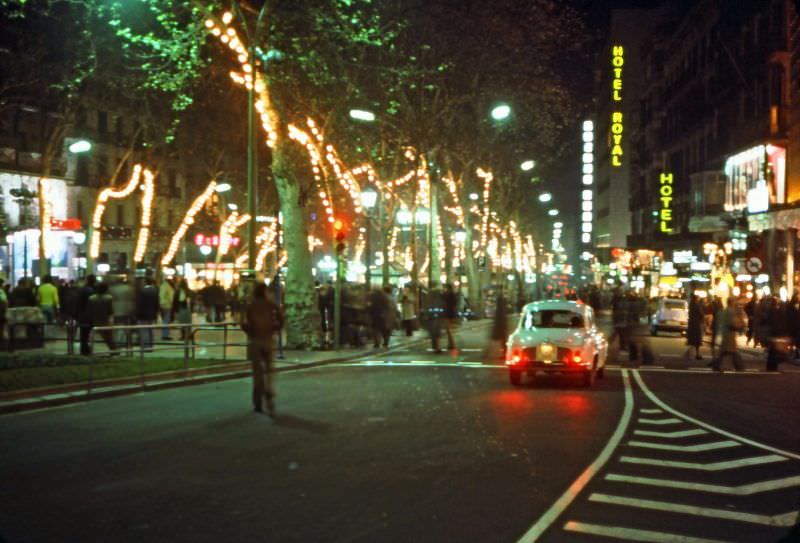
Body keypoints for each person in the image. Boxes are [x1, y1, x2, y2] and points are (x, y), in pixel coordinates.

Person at [240, 282, 283, 416]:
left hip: (255, 340)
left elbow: (243, 322)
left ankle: (257, 400)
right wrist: (275, 329)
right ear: (265, 292)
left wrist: (250, 332)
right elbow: (281, 319)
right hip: (268, 340)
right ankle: (269, 391)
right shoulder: (271, 305)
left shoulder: (250, 306)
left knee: (257, 372)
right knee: (269, 369)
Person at [87, 281, 116, 352]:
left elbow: (89, 311)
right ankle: (114, 350)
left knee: (92, 337)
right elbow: (110, 311)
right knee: (109, 338)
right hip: (105, 320)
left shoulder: (91, 298)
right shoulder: (109, 298)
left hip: (95, 320)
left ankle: (91, 351)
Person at [109, 278, 136, 346]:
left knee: (118, 326)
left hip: (116, 309)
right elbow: (133, 298)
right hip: (127, 309)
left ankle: (118, 341)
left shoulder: (113, 289)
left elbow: (111, 298)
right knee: (126, 326)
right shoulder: (129, 288)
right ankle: (125, 341)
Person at [136, 277, 160, 351]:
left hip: (143, 314)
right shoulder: (155, 291)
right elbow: (157, 303)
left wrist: (138, 313)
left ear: (145, 282)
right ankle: (151, 345)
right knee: (150, 329)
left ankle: (146, 346)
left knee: (144, 330)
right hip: (152, 313)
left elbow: (140, 304)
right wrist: (156, 314)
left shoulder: (142, 291)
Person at [76, 275, 97, 355]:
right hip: (89, 314)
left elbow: (79, 303)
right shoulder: (93, 291)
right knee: (88, 333)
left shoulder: (83, 290)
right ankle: (86, 349)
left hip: (83, 314)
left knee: (84, 333)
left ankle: (84, 349)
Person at [490, 287, 509, 361]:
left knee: (503, 339)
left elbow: (500, 313)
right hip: (502, 322)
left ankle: (505, 353)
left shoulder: (501, 301)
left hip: (501, 323)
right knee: (503, 339)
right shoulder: (502, 300)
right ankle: (505, 353)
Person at [683, 294, 705, 360]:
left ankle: (690, 354)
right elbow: (701, 314)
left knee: (693, 340)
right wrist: (702, 320)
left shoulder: (691, 305)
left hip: (692, 324)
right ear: (696, 299)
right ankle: (696, 354)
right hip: (696, 324)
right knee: (697, 340)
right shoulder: (696, 305)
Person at [443, 283, 459, 352]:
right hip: (452, 313)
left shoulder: (449, 295)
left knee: (448, 329)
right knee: (449, 329)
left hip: (448, 313)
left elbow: (446, 302)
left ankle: (452, 344)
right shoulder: (453, 294)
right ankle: (450, 344)